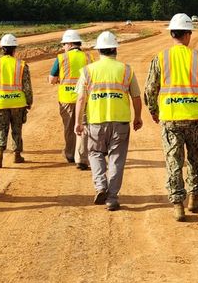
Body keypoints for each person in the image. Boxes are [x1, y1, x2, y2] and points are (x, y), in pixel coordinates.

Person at [143, 13, 198, 221]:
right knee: (195, 157)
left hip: (171, 118)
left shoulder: (161, 58)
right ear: (188, 34)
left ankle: (178, 204)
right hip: (196, 117)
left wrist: (153, 109)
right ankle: (194, 196)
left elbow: (150, 88)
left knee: (173, 160)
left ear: (172, 34)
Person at [74, 31, 143, 211]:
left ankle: (100, 186)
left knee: (95, 153)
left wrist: (78, 122)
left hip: (96, 121)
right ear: (115, 50)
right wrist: (137, 117)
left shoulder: (88, 71)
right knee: (116, 159)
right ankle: (112, 198)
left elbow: (81, 99)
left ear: (99, 51)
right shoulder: (126, 70)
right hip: (120, 122)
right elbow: (136, 96)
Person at [0, 33, 33, 167]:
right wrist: (29, 101)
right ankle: (17, 154)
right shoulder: (21, 65)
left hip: (0, 102)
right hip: (18, 102)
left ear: (2, 48)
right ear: (14, 49)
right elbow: (27, 86)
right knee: (17, 129)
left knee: (0, 128)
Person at [49, 29, 89, 169]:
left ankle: (70, 154)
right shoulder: (88, 57)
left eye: (64, 44)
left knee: (69, 127)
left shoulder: (61, 58)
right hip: (84, 98)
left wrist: (60, 79)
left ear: (70, 44)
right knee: (83, 126)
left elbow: (52, 80)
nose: (63, 47)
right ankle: (82, 157)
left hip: (66, 99)